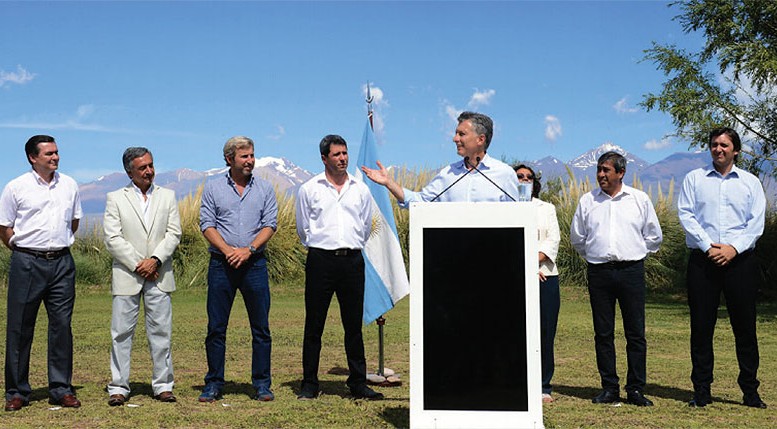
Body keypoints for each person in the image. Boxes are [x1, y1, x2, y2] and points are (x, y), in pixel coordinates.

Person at [677, 127, 767, 409]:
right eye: (714, 144)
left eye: (724, 145)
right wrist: (709, 246)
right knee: (701, 328)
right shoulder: (694, 179)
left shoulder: (750, 183)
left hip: (740, 262)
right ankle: (701, 390)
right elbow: (686, 215)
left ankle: (750, 391)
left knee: (745, 327)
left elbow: (756, 223)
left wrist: (733, 249)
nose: (718, 149)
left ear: (736, 150)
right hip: (703, 261)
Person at [570, 151, 662, 407]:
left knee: (635, 333)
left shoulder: (639, 199)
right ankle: (609, 388)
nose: (601, 174)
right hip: (599, 272)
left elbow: (654, 236)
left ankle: (635, 389)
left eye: (606, 170)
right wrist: (597, 255)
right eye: (599, 169)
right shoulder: (587, 201)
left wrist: (635, 252)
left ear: (621, 173)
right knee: (603, 333)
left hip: (631, 271)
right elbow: (578, 238)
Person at [295, 135, 383, 401]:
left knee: (353, 326)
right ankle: (309, 383)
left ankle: (357, 382)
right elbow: (303, 228)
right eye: (337, 154)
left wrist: (350, 246)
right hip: (321, 261)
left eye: (345, 153)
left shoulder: (360, 189)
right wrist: (322, 245)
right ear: (324, 158)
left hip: (352, 262)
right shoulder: (309, 189)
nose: (343, 158)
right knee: (314, 325)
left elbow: (366, 226)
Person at [0, 135, 83, 411]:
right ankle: (16, 392)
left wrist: (56, 246)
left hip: (62, 263)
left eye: (57, 152)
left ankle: (61, 389)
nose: (55, 157)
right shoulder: (16, 187)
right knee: (20, 327)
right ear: (32, 157)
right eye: (49, 154)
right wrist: (20, 248)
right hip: (27, 262)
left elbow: (74, 221)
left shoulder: (69, 185)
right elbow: (5, 226)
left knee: (62, 327)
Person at [198, 136, 278, 402]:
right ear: (229, 159)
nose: (250, 161)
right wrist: (228, 250)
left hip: (255, 264)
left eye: (252, 155)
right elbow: (207, 224)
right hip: (222, 264)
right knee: (216, 327)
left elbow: (270, 225)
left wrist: (249, 250)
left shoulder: (265, 189)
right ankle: (213, 383)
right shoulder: (212, 188)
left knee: (261, 328)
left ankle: (262, 384)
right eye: (244, 156)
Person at [103, 147, 182, 406]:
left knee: (161, 332)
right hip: (128, 275)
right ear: (129, 172)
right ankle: (118, 387)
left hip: (159, 274)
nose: (149, 171)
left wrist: (155, 260)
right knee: (121, 334)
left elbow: (174, 233)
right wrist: (139, 264)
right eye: (142, 167)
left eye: (151, 165)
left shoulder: (168, 196)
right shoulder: (115, 197)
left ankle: (163, 385)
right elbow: (112, 238)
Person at [361, 111, 519, 204]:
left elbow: (518, 217)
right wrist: (389, 183)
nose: (455, 139)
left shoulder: (504, 174)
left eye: (461, 134)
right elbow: (421, 202)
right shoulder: (448, 174)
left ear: (481, 139)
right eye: (456, 133)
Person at [514, 164, 560, 404]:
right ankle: (516, 381)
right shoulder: (503, 208)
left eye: (528, 177)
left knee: (544, 332)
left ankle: (543, 385)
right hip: (513, 277)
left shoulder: (546, 209)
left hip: (546, 276)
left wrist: (533, 263)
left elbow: (553, 239)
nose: (524, 180)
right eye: (519, 177)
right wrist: (524, 268)